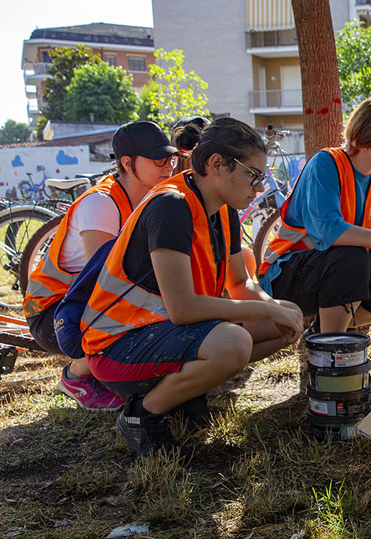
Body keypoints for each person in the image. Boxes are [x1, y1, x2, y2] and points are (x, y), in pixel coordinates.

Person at [80, 118, 304, 457]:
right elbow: (183, 309)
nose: (260, 187)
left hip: (161, 332)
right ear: (216, 164)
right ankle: (143, 415)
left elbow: (240, 283)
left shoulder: (224, 206)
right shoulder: (171, 206)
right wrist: (267, 308)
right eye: (253, 175)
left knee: (289, 314)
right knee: (234, 343)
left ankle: (185, 393)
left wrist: (278, 310)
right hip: (115, 347)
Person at [23, 121, 177, 411]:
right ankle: (76, 375)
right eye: (159, 159)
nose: (168, 166)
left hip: (82, 303)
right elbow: (105, 283)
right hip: (53, 313)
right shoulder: (102, 204)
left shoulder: (146, 197)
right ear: (128, 163)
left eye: (171, 158)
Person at [257, 94, 371, 332]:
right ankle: (331, 345)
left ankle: (326, 327)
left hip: (336, 270)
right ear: (363, 138)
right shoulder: (326, 163)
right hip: (286, 274)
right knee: (353, 256)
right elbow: (328, 231)